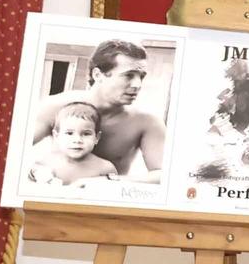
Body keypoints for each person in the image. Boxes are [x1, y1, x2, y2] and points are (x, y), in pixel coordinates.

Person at [28, 38, 166, 176]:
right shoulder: (55, 107)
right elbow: (14, 149)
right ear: (98, 75)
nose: (137, 85)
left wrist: (103, 184)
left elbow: (163, 175)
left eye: (141, 76)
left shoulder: (147, 122)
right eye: (128, 75)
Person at [26, 103, 119, 185]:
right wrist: (34, 174)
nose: (77, 140)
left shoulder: (105, 168)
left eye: (86, 134)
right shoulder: (44, 162)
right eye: (69, 133)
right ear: (56, 136)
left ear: (96, 138)